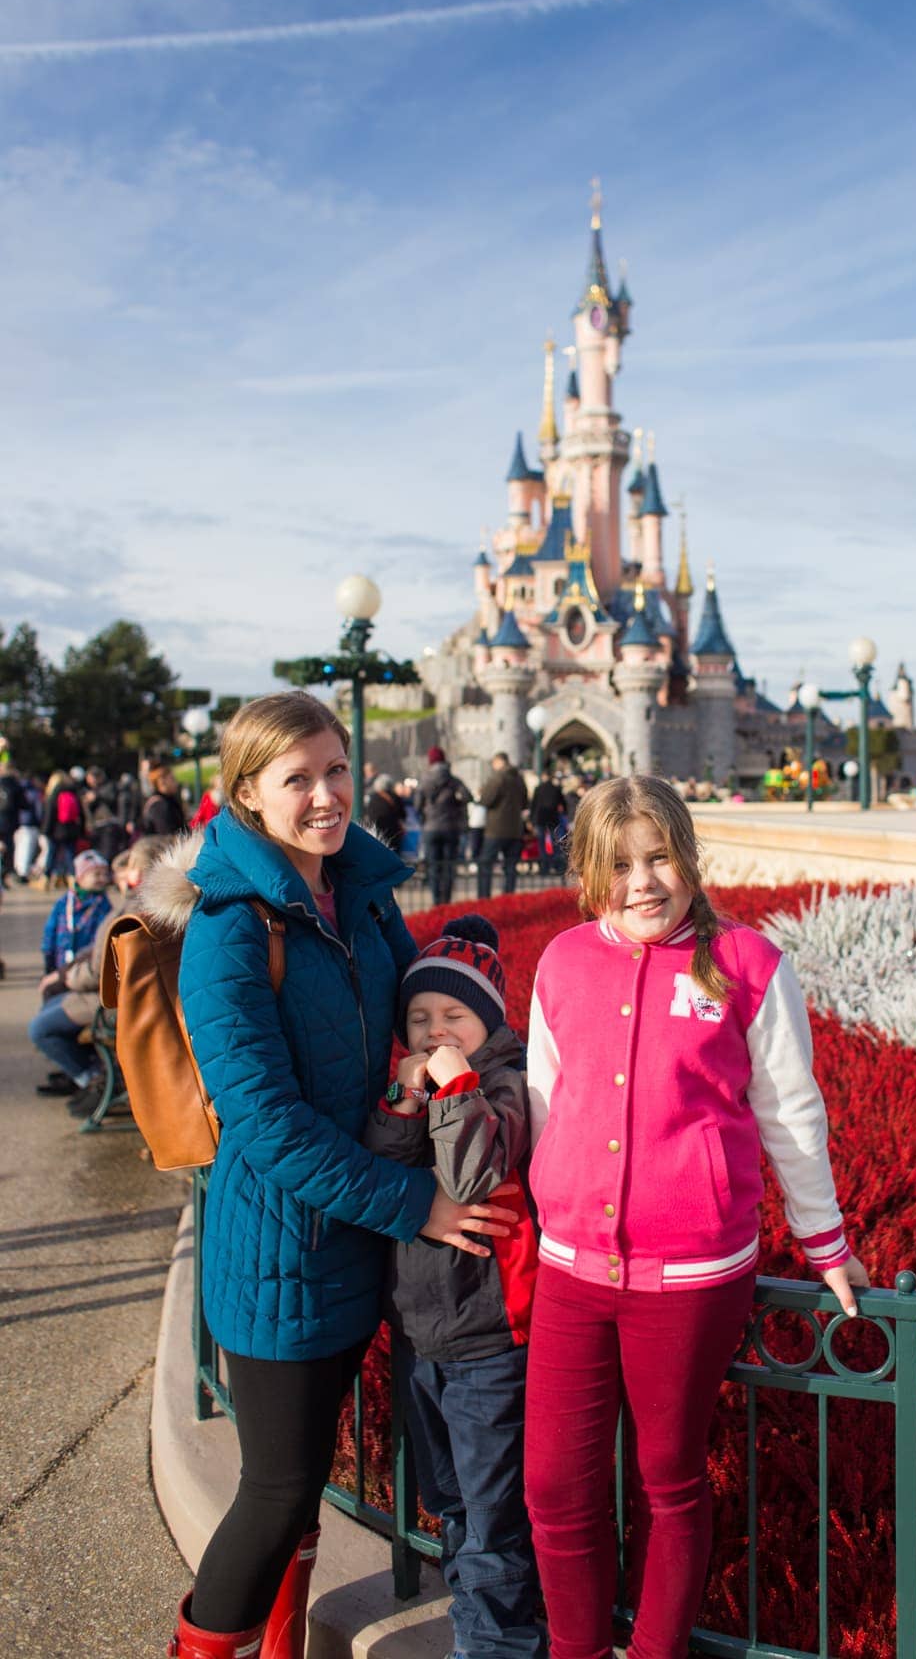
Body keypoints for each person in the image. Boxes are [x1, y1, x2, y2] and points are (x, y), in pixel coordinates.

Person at [161, 691, 519, 1659]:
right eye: (297, 779)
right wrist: (418, 1202)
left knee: (305, 1481)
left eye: (335, 771)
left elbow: (416, 1016)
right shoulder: (231, 930)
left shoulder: (355, 894)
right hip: (282, 1253)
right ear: (246, 794)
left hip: (357, 1247)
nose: (325, 796)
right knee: (276, 1489)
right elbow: (266, 1125)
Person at [522, 774, 870, 1659]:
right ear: (590, 876)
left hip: (689, 1277)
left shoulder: (748, 963)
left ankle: (655, 1652)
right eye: (619, 865)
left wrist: (825, 1241)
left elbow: (792, 1111)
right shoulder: (562, 961)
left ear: (688, 857)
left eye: (660, 857)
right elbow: (541, 1099)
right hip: (570, 1267)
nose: (643, 882)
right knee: (557, 1485)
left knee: (666, 1479)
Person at [363, 913, 543, 1659]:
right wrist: (405, 1098)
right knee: (453, 1502)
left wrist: (452, 1083)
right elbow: (386, 1159)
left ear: (488, 1021)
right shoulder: (433, 1081)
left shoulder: (504, 1084)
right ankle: (481, 1624)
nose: (437, 1030)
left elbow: (471, 1172)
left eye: (454, 1016)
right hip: (421, 1334)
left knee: (494, 1513)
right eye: (421, 1018)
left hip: (489, 1340)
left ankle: (496, 1645)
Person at [43, 835, 170, 1119]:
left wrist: (65, 978)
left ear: (140, 870)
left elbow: (101, 969)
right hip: (115, 994)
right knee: (50, 1001)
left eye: (130, 866)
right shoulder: (134, 901)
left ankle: (92, 1077)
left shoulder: (135, 907)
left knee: (41, 1027)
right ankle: (90, 1074)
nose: (121, 873)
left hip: (113, 1001)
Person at [29, 850, 116, 1097]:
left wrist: (69, 976)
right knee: (48, 995)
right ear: (78, 877)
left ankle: (88, 1074)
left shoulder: (105, 907)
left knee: (45, 1024)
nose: (101, 879)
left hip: (85, 978)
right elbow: (51, 932)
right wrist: (50, 964)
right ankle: (72, 1065)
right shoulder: (65, 903)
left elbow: (98, 957)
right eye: (94, 874)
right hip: (69, 968)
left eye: (104, 874)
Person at [414, 746, 472, 905]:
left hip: (431, 828)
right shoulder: (453, 780)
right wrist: (456, 803)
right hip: (451, 828)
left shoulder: (424, 780)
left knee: (433, 866)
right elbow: (468, 796)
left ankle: (436, 900)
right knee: (448, 866)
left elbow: (417, 805)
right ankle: (446, 900)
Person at [477, 752, 528, 899]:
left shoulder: (497, 777)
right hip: (515, 829)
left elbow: (486, 800)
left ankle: (484, 897)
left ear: (498, 762)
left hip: (496, 829)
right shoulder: (519, 778)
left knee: (486, 865)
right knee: (510, 867)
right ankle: (508, 897)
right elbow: (525, 803)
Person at [40, 769, 86, 886]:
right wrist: (81, 830)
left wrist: (45, 830)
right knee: (70, 854)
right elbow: (81, 813)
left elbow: (50, 813)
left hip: (56, 829)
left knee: (52, 854)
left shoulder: (54, 793)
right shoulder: (73, 792)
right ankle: (73, 879)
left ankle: (46, 879)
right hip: (71, 829)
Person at [529, 763, 567, 876]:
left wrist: (532, 820)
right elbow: (563, 804)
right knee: (555, 843)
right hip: (553, 818)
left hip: (541, 819)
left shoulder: (538, 789)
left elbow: (534, 805)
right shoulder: (556, 789)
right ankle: (557, 866)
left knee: (541, 843)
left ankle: (544, 867)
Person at [139, 763, 188, 838]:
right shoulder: (160, 806)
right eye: (172, 779)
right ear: (162, 782)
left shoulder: (168, 801)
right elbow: (169, 836)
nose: (176, 782)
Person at [363, 773, 406, 850]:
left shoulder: (373, 798)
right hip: (394, 833)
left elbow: (368, 813)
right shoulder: (395, 797)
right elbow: (403, 815)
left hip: (377, 832)